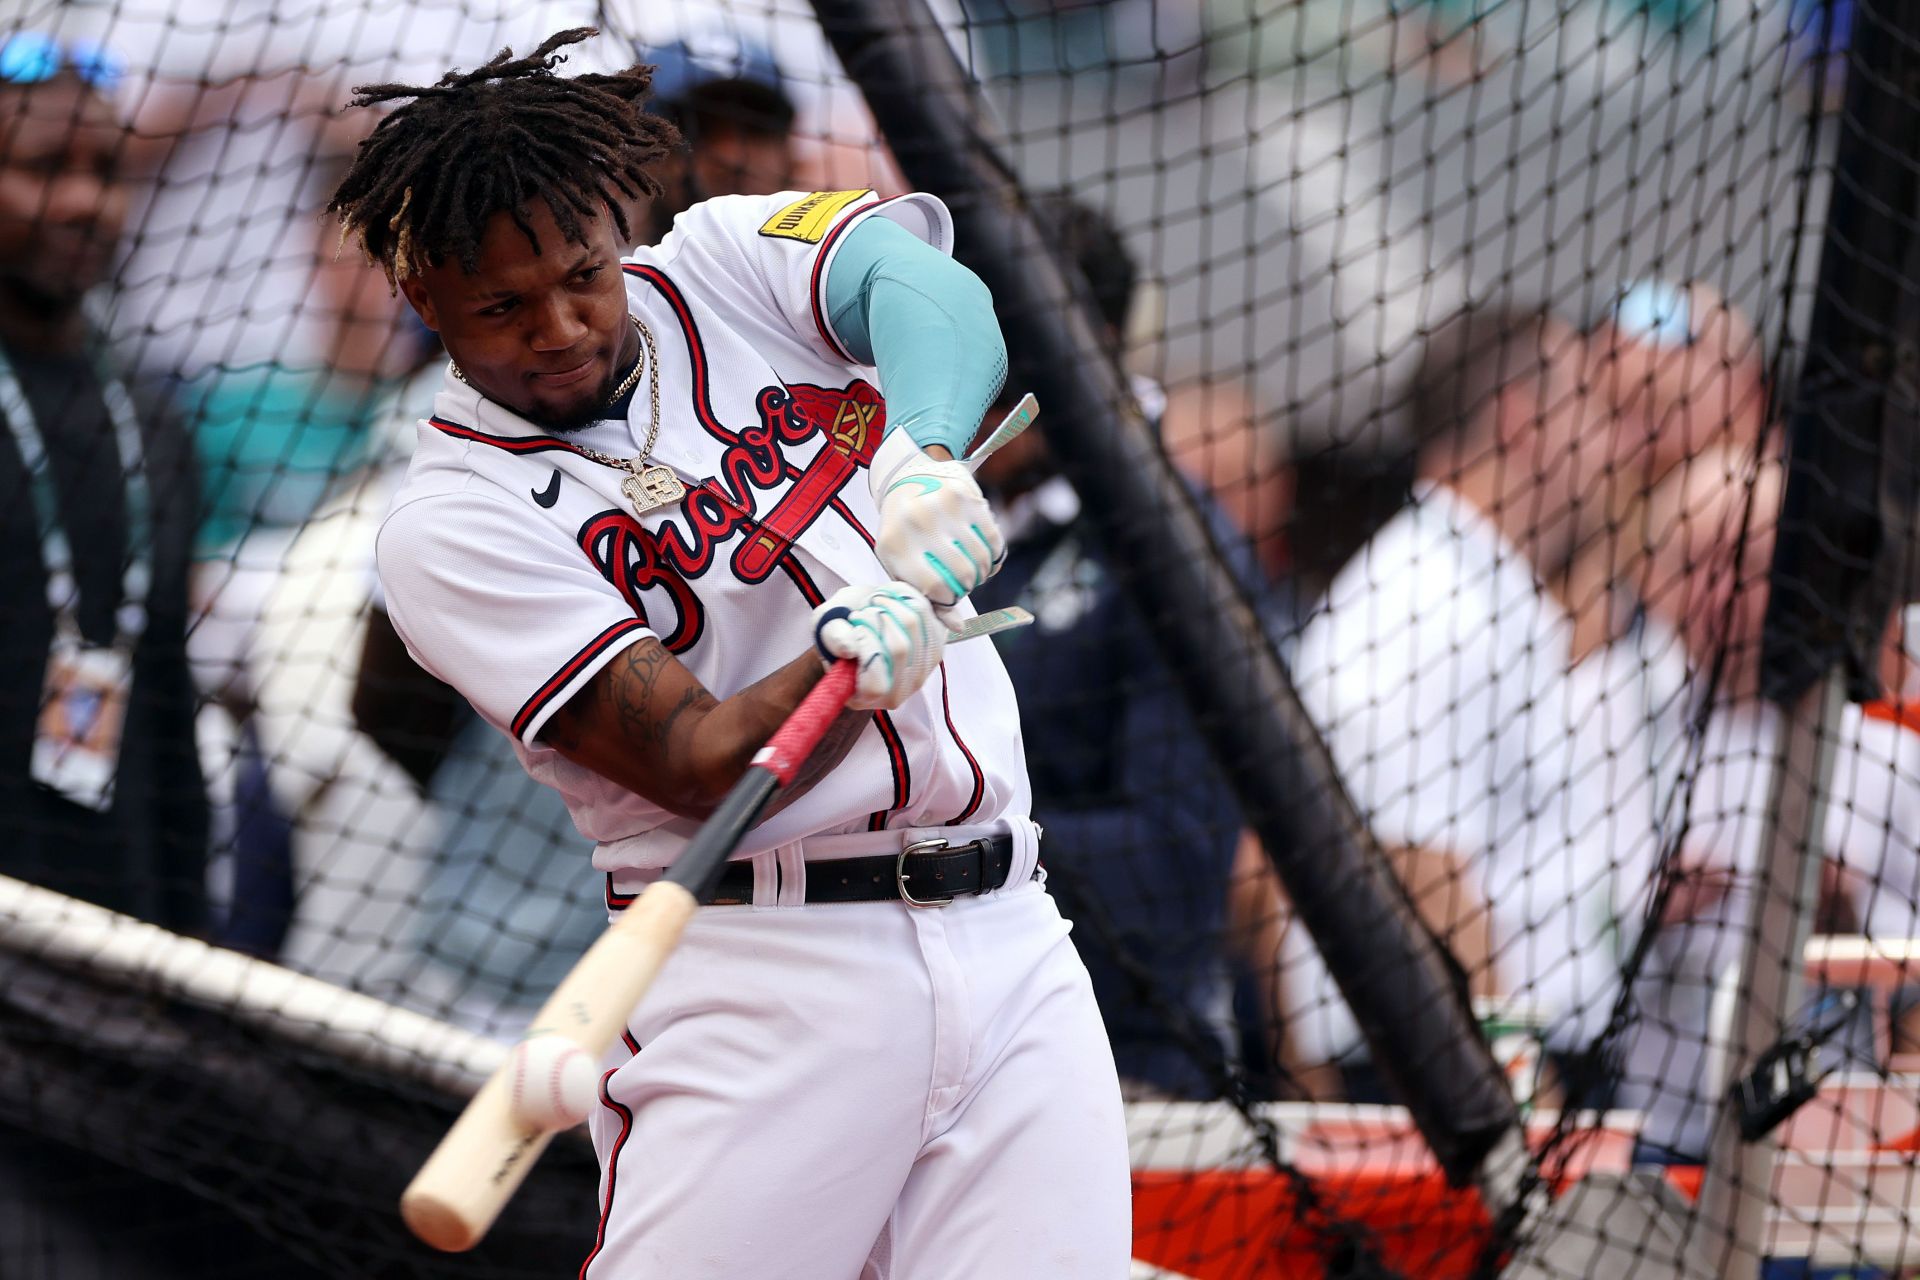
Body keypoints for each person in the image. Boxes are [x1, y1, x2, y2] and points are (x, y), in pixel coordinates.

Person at [327, 29, 1128, 1277]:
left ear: (619, 224)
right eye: (500, 305)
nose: (557, 327)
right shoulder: (449, 523)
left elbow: (941, 298)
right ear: (425, 301)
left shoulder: (716, 261)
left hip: (1011, 928)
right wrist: (852, 654)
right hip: (764, 971)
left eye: (579, 274)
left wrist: (918, 449)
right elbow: (699, 759)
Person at [0, 34, 327, 1279]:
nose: (85, 200)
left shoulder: (149, 410)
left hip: (118, 978)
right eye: (42, 168)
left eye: (106, 169)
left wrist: (186, 965)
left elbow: (167, 707)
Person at [1284, 301, 1665, 1096]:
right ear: (1522, 421)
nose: (1615, 444)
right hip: (1460, 1075)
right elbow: (1421, 871)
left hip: (1494, 1059)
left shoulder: (1481, 587)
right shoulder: (1424, 598)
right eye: (1592, 407)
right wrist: (1521, 1096)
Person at [970, 192, 1275, 1099]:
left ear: (1086, 348)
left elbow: (1175, 867)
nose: (960, 391)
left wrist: (932, 851)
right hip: (943, 1050)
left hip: (1118, 1075)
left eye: (996, 357)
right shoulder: (929, 513)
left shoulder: (1175, 551)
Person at [635, 36, 799, 243]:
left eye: (754, 128)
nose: (732, 157)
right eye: (700, 130)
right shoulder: (616, 272)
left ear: (790, 152)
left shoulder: (832, 265)